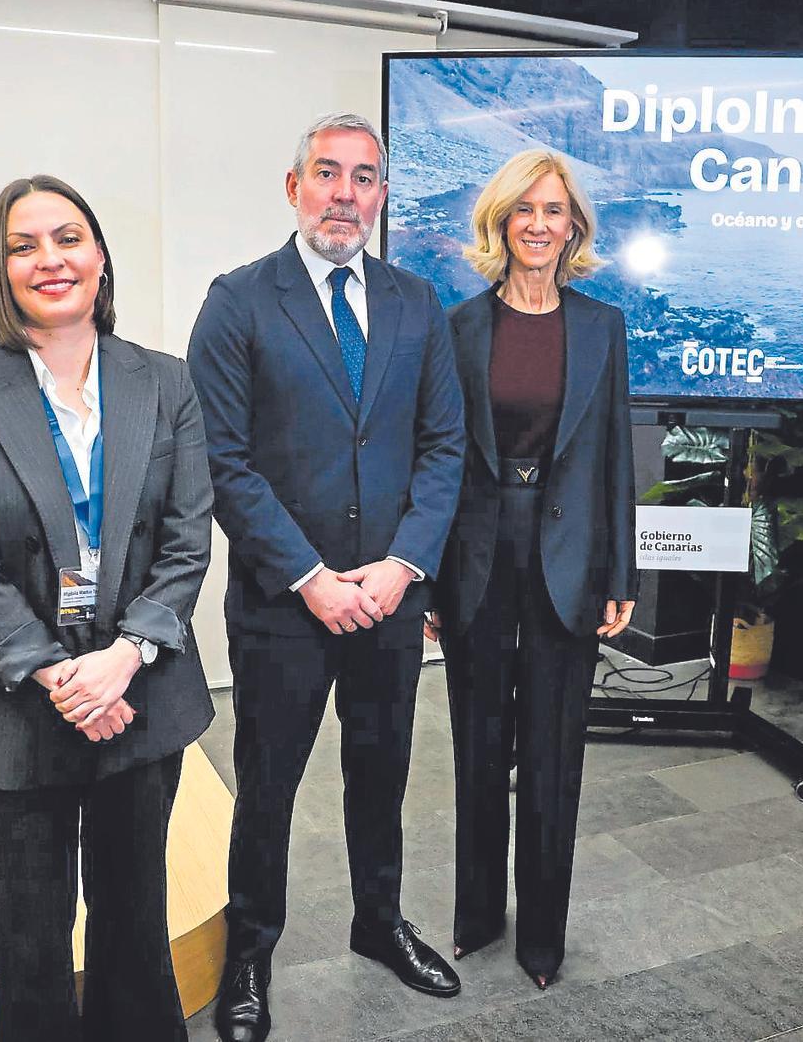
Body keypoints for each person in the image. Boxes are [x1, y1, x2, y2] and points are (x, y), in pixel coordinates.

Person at [188, 112, 466, 1042]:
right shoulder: (238, 301)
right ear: (294, 187)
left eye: (364, 177)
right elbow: (223, 460)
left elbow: (444, 446)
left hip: (390, 599)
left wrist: (404, 565)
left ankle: (378, 921)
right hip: (284, 606)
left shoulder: (417, 303)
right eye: (328, 173)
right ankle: (250, 954)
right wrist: (310, 576)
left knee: (381, 773)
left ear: (382, 196)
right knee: (267, 789)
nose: (345, 193)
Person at [0, 174, 214, 1041]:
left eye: (68, 237)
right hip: (15, 702)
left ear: (100, 258)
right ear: (1, 270)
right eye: (23, 246)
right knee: (27, 944)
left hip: (140, 693)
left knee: (134, 927)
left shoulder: (165, 381)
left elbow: (188, 539)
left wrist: (123, 657)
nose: (49, 259)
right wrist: (62, 677)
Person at [425, 149, 638, 989]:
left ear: (572, 226)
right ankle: (478, 916)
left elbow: (614, 455)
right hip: (477, 558)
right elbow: (439, 460)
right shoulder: (459, 327)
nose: (539, 225)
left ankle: (542, 937)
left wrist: (621, 573)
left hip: (568, 558)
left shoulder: (602, 326)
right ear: (501, 222)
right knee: (478, 745)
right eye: (525, 210)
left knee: (553, 755)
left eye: (554, 211)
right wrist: (430, 580)